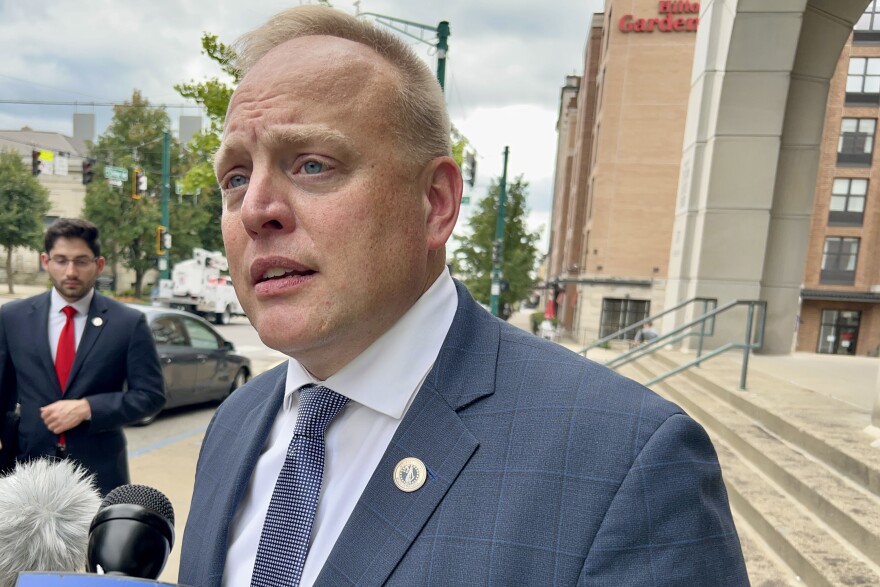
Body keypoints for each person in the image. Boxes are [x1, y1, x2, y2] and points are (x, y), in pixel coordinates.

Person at [179, 6, 748, 586]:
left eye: (313, 165)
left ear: (436, 204)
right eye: (236, 177)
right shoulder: (236, 423)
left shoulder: (625, 460)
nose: (255, 210)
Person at [0, 218, 165, 495]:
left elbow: (151, 396)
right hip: (27, 471)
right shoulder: (12, 318)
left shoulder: (128, 323)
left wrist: (88, 408)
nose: (70, 271)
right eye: (61, 260)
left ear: (98, 265)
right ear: (45, 261)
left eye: (81, 261)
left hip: (99, 474)